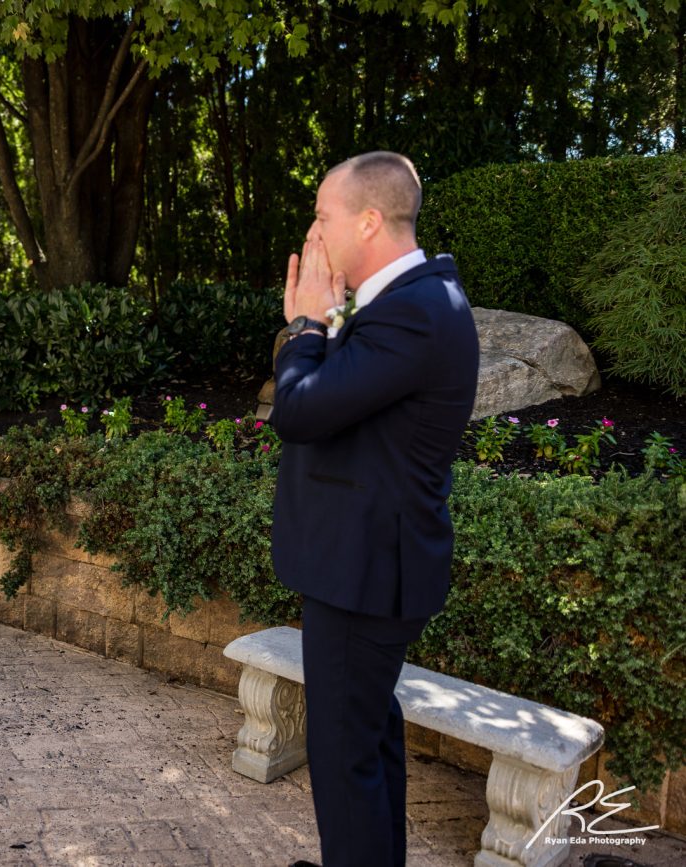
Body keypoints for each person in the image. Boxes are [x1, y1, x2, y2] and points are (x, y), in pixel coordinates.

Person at [271, 152, 479, 866]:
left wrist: (302, 327)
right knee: (367, 736)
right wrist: (327, 320)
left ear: (367, 219)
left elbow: (299, 409)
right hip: (362, 567)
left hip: (366, 576)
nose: (315, 232)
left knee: (342, 757)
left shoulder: (417, 313)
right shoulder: (406, 304)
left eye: (324, 217)